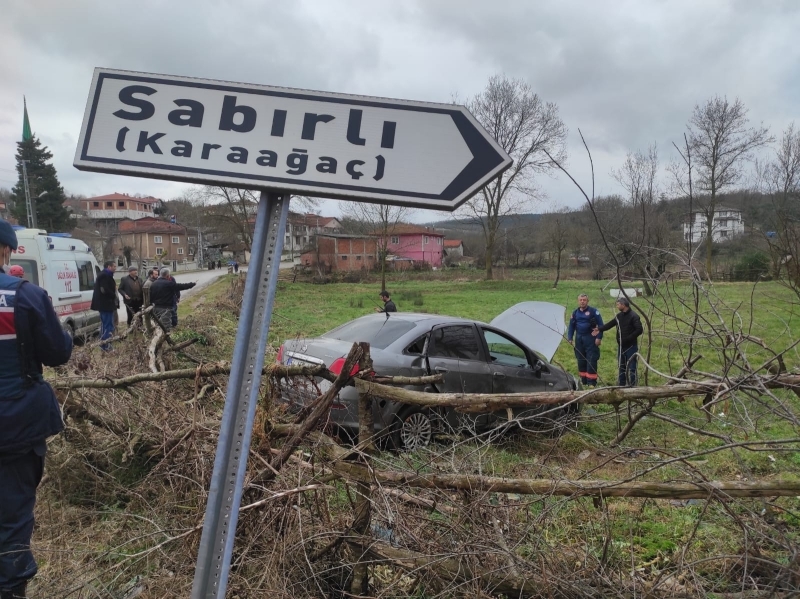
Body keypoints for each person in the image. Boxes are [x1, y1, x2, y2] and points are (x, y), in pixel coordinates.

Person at [0, 219, 73, 599]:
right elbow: (57, 353)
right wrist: (68, 336)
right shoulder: (25, 296)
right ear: (7, 250)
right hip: (14, 427)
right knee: (11, 517)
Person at [592, 297, 643, 386]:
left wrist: (628, 338)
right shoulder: (619, 316)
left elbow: (639, 330)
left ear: (623, 305)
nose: (617, 306)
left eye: (618, 304)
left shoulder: (634, 316)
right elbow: (610, 324)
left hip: (631, 346)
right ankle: (621, 385)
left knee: (632, 367)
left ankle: (633, 386)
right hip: (621, 346)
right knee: (621, 366)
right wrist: (599, 329)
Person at [567, 293, 604, 387]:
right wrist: (570, 337)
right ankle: (583, 380)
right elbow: (571, 326)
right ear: (578, 301)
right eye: (580, 300)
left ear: (587, 301)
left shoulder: (593, 311)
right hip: (579, 338)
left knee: (591, 359)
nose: (582, 302)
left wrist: (599, 338)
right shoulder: (575, 313)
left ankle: (591, 382)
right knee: (580, 359)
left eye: (584, 300)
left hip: (590, 338)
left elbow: (601, 325)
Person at [148, 268, 196, 332]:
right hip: (165, 308)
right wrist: (192, 284)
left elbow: (150, 296)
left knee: (157, 324)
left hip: (155, 308)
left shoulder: (154, 283)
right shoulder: (168, 284)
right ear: (167, 275)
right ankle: (165, 340)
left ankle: (157, 336)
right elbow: (180, 286)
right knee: (165, 326)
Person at [91, 260, 118, 351]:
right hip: (105, 304)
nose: (115, 268)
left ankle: (103, 343)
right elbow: (104, 290)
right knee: (107, 325)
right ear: (109, 267)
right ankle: (105, 345)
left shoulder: (106, 275)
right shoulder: (104, 276)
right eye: (114, 266)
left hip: (106, 304)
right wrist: (113, 295)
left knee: (106, 324)